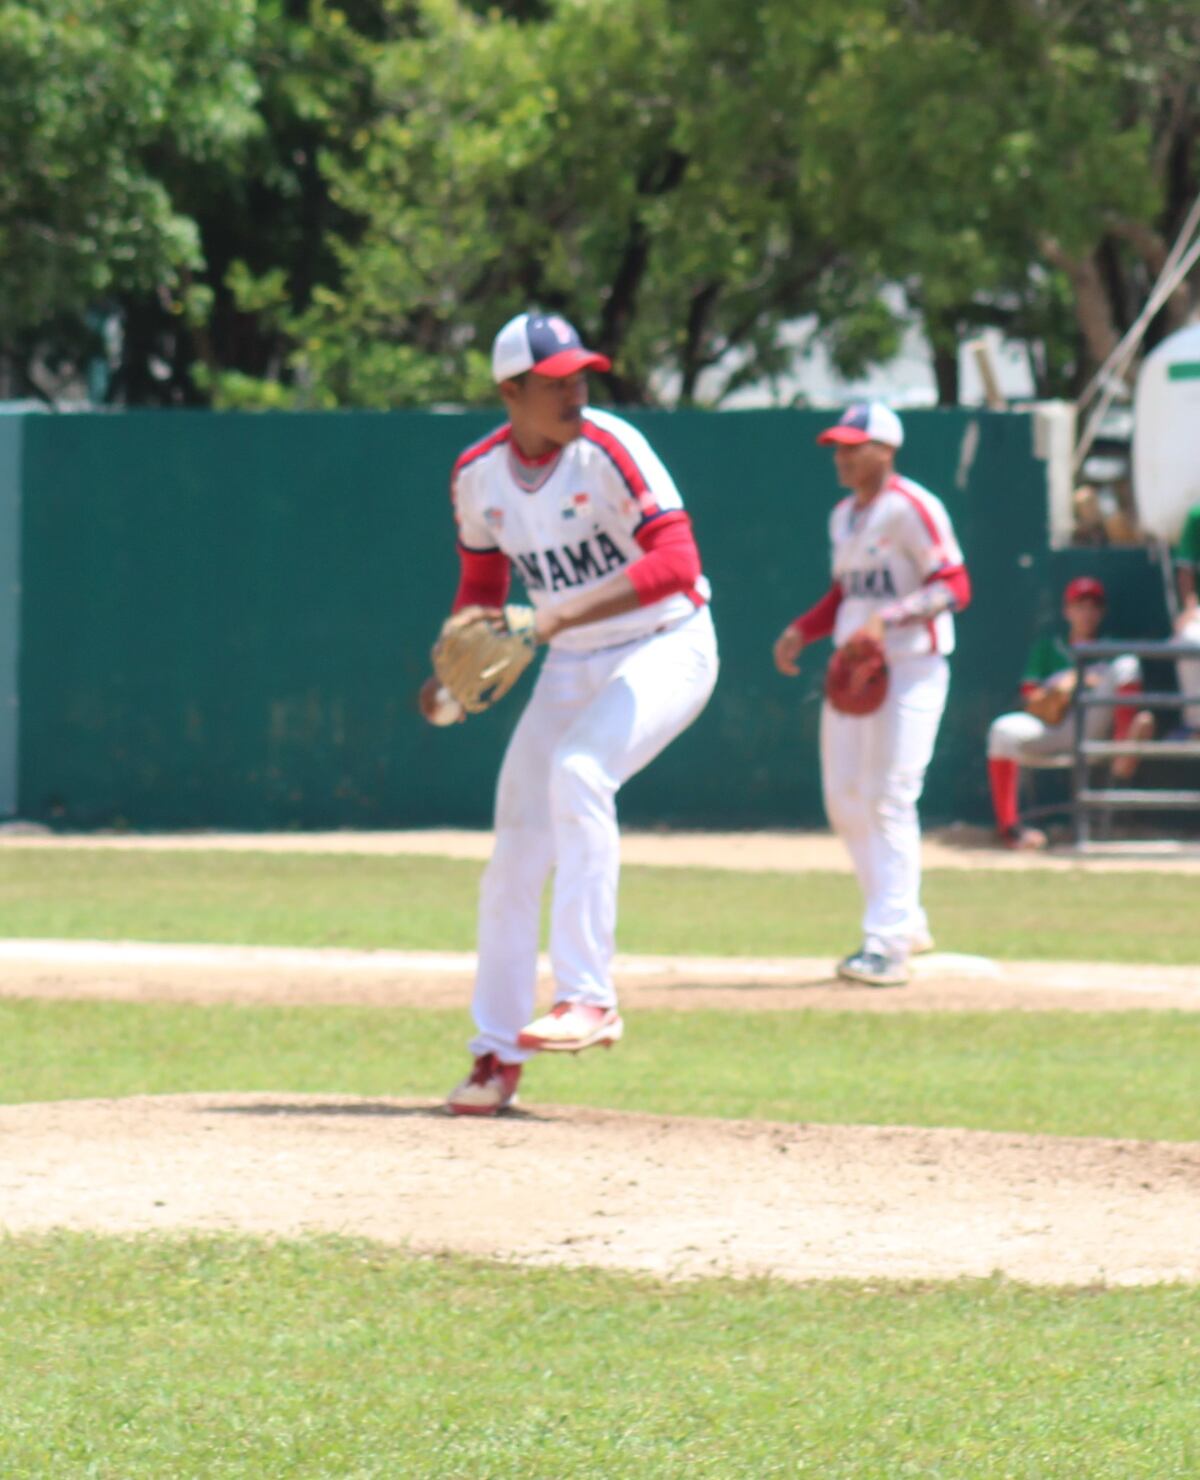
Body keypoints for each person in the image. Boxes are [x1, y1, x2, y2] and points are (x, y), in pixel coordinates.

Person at [419, 311, 719, 1115]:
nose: (576, 392)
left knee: (582, 772)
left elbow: (678, 563)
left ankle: (591, 996)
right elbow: (482, 593)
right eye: (556, 383)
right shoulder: (478, 476)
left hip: (669, 642)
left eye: (581, 375)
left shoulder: (610, 446)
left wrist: (549, 619)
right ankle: (495, 1056)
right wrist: (451, 672)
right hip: (573, 663)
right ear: (510, 391)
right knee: (515, 854)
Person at [771, 402, 971, 987]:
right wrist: (802, 630)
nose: (842, 455)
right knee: (844, 798)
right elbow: (844, 594)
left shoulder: (913, 507)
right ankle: (903, 920)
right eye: (838, 446)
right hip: (855, 669)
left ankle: (886, 943)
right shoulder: (843, 517)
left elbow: (956, 583)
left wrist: (891, 618)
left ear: (886, 449)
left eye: (854, 446)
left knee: (888, 796)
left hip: (911, 666)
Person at [986, 575, 1155, 849]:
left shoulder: (1108, 652)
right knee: (1002, 730)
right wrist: (1062, 689)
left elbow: (1119, 676)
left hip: (1093, 726)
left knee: (1127, 664)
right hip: (1055, 726)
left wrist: (1088, 681)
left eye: (1093, 606)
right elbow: (1030, 697)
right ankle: (1010, 831)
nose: (1086, 613)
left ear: (1102, 612)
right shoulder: (1048, 648)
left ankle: (1125, 747)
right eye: (1080, 606)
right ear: (1067, 611)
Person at [1171, 504, 1200, 735]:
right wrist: (1189, 609)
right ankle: (1196, 727)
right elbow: (1186, 571)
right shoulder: (1196, 515)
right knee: (1189, 638)